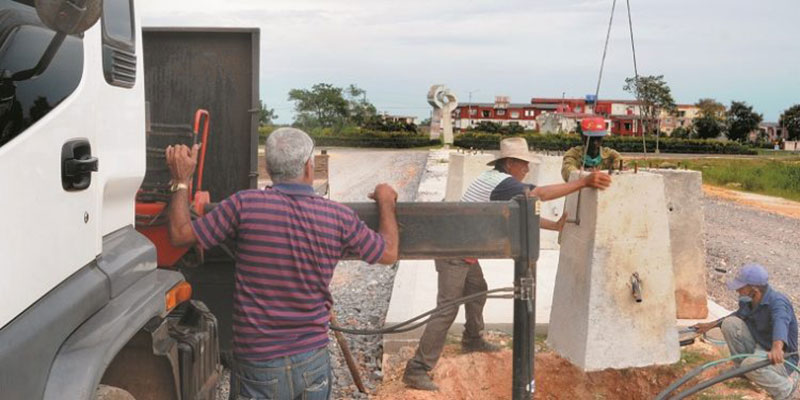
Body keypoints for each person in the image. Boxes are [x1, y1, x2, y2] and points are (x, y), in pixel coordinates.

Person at [164, 127, 399, 400]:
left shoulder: (244, 205)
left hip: (258, 364)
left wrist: (181, 181)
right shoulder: (338, 216)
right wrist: (385, 201)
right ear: (309, 168)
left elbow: (180, 234)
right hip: (312, 360)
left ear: (269, 167)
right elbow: (389, 253)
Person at [402, 136, 612, 391]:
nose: (527, 169)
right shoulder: (503, 184)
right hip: (454, 252)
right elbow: (539, 195)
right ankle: (417, 368)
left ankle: (473, 338)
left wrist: (553, 225)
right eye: (523, 164)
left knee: (477, 290)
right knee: (447, 308)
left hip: (462, 247)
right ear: (510, 163)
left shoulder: (495, 180)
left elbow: (523, 212)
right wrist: (584, 181)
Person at [693, 263, 799, 399]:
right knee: (729, 324)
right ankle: (744, 370)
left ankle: (785, 390)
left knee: (750, 364)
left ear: (754, 289)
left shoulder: (778, 302)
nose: (737, 290)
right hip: (759, 347)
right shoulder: (748, 300)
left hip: (781, 358)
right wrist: (710, 325)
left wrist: (777, 347)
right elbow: (737, 315)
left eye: (741, 287)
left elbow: (781, 323)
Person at [561, 117, 623, 182]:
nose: (595, 142)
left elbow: (622, 164)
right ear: (583, 137)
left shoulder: (610, 155)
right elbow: (567, 171)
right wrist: (586, 175)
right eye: (591, 139)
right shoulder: (573, 154)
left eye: (598, 138)